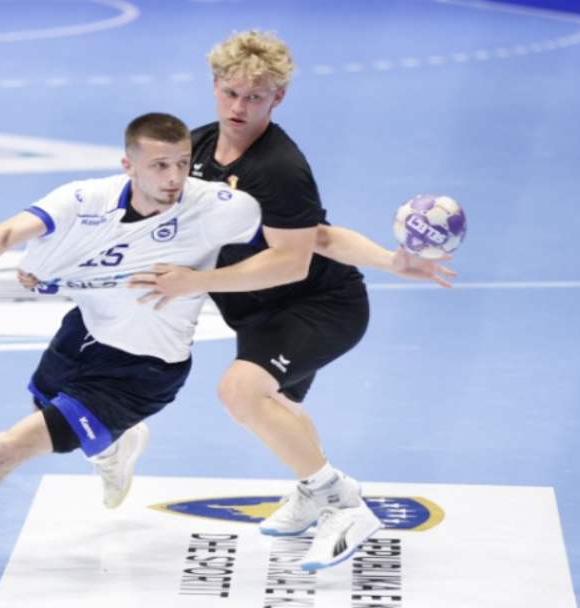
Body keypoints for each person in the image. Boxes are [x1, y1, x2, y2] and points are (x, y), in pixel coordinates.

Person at [0, 112, 265, 572]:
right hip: (83, 333)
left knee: (6, 448)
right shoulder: (85, 199)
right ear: (128, 165)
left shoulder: (217, 209)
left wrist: (203, 281)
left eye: (182, 163)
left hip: (141, 371)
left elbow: (296, 247)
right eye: (159, 165)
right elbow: (4, 233)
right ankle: (114, 445)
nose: (174, 177)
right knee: (43, 408)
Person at [128, 30, 457, 571]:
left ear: (278, 97)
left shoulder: (279, 167)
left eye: (255, 97)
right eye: (231, 92)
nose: (239, 107)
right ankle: (312, 492)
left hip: (320, 305)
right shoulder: (198, 148)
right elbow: (320, 233)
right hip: (257, 308)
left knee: (240, 391)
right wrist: (392, 260)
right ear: (214, 86)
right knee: (280, 410)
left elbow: (295, 259)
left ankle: (343, 504)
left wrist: (193, 281)